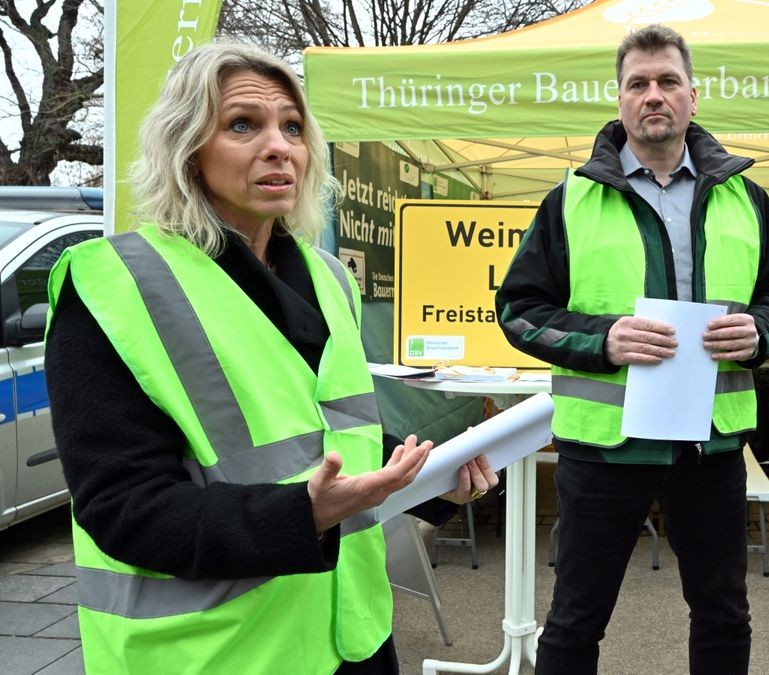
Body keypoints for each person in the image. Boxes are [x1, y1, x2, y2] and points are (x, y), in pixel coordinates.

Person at [43, 42, 497, 674]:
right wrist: (303, 514)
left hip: (352, 635)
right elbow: (121, 507)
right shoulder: (115, 284)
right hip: (212, 652)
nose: (279, 145)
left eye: (292, 126)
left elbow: (332, 435)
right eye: (241, 125)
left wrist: (431, 476)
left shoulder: (329, 277)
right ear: (187, 150)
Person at [496, 24, 769, 675]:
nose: (653, 95)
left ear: (694, 96)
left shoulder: (745, 198)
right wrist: (601, 339)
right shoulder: (571, 200)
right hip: (605, 445)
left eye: (667, 81)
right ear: (620, 99)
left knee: (723, 613)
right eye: (638, 83)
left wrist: (761, 333)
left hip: (710, 446)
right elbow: (518, 311)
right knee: (576, 618)